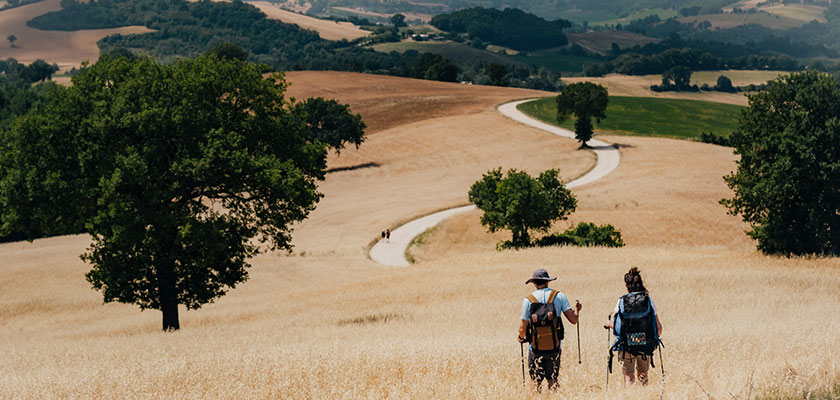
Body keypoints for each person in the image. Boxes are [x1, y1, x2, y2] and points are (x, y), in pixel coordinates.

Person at [517, 268, 582, 392]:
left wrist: (520, 338)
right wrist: (577, 310)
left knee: (536, 381)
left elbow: (522, 327)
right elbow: (573, 320)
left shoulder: (528, 300)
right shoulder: (559, 296)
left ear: (534, 283)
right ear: (547, 281)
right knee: (553, 379)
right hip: (555, 346)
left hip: (535, 348)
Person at [604, 267, 663, 386]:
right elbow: (658, 327)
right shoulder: (648, 301)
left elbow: (617, 327)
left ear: (626, 285)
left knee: (629, 377)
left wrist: (608, 324)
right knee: (643, 376)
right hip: (645, 343)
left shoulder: (621, 301)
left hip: (627, 345)